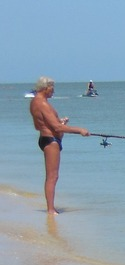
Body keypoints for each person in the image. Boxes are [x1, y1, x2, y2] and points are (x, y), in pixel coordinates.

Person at [29, 76, 90, 214]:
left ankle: (51, 208)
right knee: (52, 176)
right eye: (52, 88)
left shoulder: (36, 102)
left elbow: (41, 124)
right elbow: (56, 128)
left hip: (47, 138)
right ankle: (51, 209)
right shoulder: (42, 103)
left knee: (52, 176)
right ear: (45, 88)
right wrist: (79, 130)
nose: (53, 91)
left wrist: (60, 122)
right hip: (51, 141)